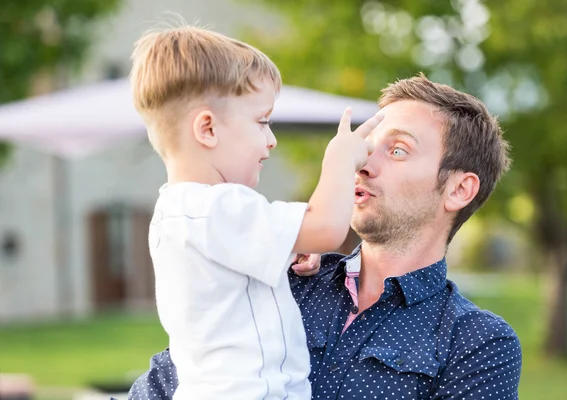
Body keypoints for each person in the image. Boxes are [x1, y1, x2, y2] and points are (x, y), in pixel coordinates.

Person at [128, 74, 523, 399]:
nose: (363, 163)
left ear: (459, 190)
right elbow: (163, 387)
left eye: (398, 150)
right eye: (366, 147)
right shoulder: (278, 276)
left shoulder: (478, 345)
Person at [128, 25, 382, 400]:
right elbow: (328, 228)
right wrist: (340, 159)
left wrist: (291, 245)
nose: (271, 139)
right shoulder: (218, 207)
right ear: (208, 129)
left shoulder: (180, 211)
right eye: (262, 121)